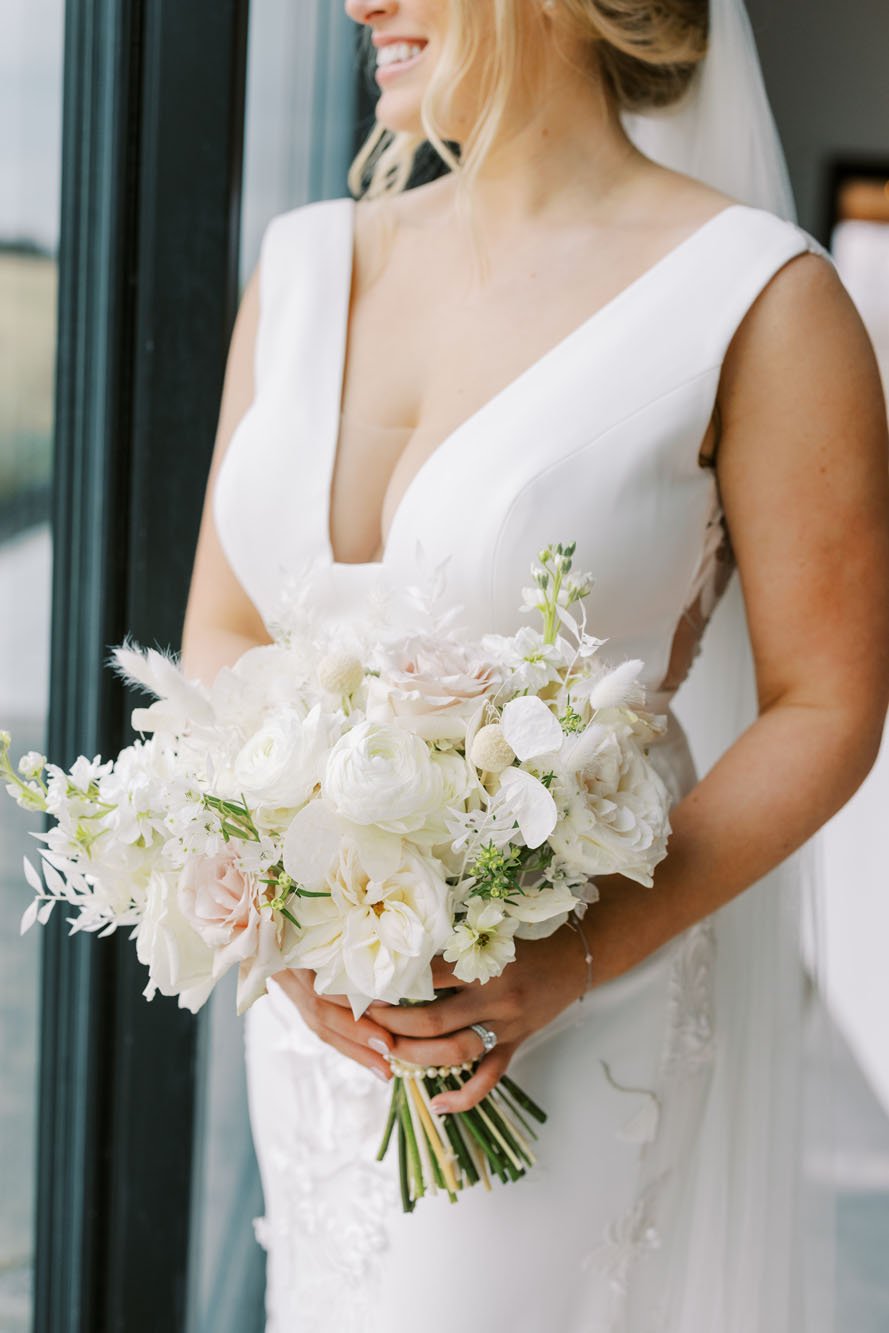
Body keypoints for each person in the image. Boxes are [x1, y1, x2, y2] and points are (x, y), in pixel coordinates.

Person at [181, 1, 889, 1329]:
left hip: (572, 1009)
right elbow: (221, 630)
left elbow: (829, 702)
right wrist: (292, 915)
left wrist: (575, 955)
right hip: (319, 1026)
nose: (359, 4)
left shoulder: (759, 300)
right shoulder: (302, 267)